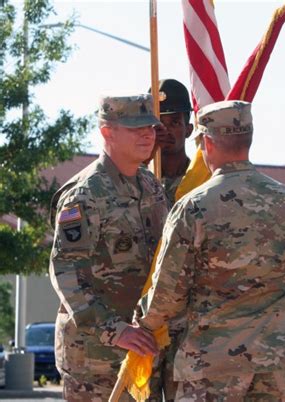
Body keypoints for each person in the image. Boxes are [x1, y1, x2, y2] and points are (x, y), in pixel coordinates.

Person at [117, 100, 285, 401]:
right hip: (279, 363)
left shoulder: (194, 206)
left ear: (207, 141)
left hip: (213, 365)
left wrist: (145, 326)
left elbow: (169, 290)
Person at [49, 94, 169, 401]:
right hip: (96, 359)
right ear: (107, 131)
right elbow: (66, 272)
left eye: (151, 127)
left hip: (144, 352)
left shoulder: (152, 187)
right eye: (134, 128)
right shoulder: (84, 195)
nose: (147, 134)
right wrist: (116, 330)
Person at [146, 78, 193, 206]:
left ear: (189, 130)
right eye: (159, 123)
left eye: (175, 123)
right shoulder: (139, 179)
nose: (166, 130)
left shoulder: (200, 178)